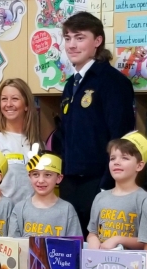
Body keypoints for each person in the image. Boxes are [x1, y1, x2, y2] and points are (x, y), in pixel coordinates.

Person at [60, 12, 136, 234]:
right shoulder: (70, 85)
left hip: (98, 183)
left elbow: (121, 137)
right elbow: (65, 135)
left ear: (98, 41)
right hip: (70, 183)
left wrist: (107, 185)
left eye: (79, 37)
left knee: (98, 252)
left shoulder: (112, 81)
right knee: (72, 250)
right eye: (67, 38)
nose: (72, 45)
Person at [0, 78, 41, 205]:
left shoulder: (37, 144)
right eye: (4, 99)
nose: (8, 104)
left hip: (30, 215)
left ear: (26, 105)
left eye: (15, 99)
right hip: (2, 213)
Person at [87, 131, 147, 250]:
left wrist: (118, 239)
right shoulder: (100, 197)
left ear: (139, 165)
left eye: (124, 158)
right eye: (113, 158)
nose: (116, 162)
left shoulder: (145, 200)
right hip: (100, 263)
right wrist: (92, 240)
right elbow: (92, 232)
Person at [8, 149, 82, 238]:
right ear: (29, 177)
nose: (41, 180)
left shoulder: (67, 210)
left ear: (59, 178)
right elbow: (13, 245)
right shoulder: (20, 208)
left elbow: (74, 246)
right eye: (36, 174)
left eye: (47, 175)